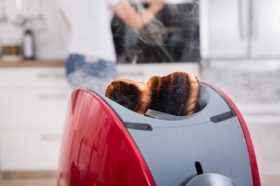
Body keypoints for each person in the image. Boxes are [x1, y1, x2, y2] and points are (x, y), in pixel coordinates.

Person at [58, 0, 163, 95]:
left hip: (74, 59)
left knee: (87, 111)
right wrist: (157, 5)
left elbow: (71, 24)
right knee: (100, 113)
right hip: (97, 61)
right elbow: (136, 21)